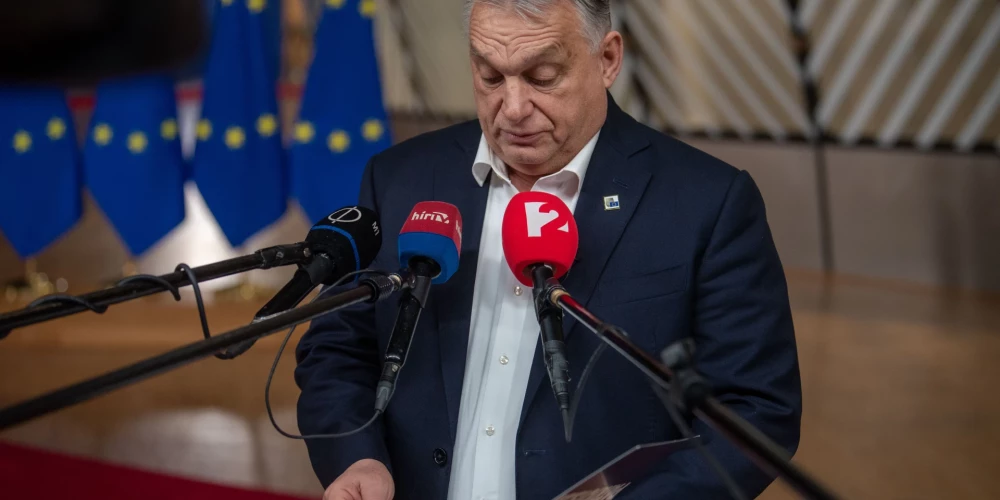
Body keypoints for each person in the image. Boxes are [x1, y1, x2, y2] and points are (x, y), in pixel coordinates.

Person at [294, 1, 802, 499]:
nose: (512, 108)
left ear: (607, 59)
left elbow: (755, 411)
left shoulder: (705, 202)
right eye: (490, 76)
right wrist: (358, 457)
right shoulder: (401, 178)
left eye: (542, 77)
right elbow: (338, 349)